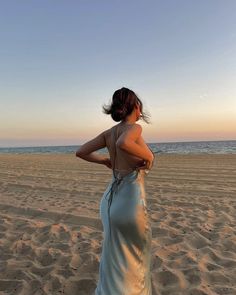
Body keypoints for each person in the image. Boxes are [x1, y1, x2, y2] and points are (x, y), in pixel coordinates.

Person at [76, 87, 155, 294]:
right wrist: (150, 158)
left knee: (114, 254)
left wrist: (104, 160)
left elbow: (81, 152)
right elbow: (123, 143)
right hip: (130, 202)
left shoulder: (108, 133)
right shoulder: (134, 128)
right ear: (136, 106)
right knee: (136, 255)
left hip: (109, 201)